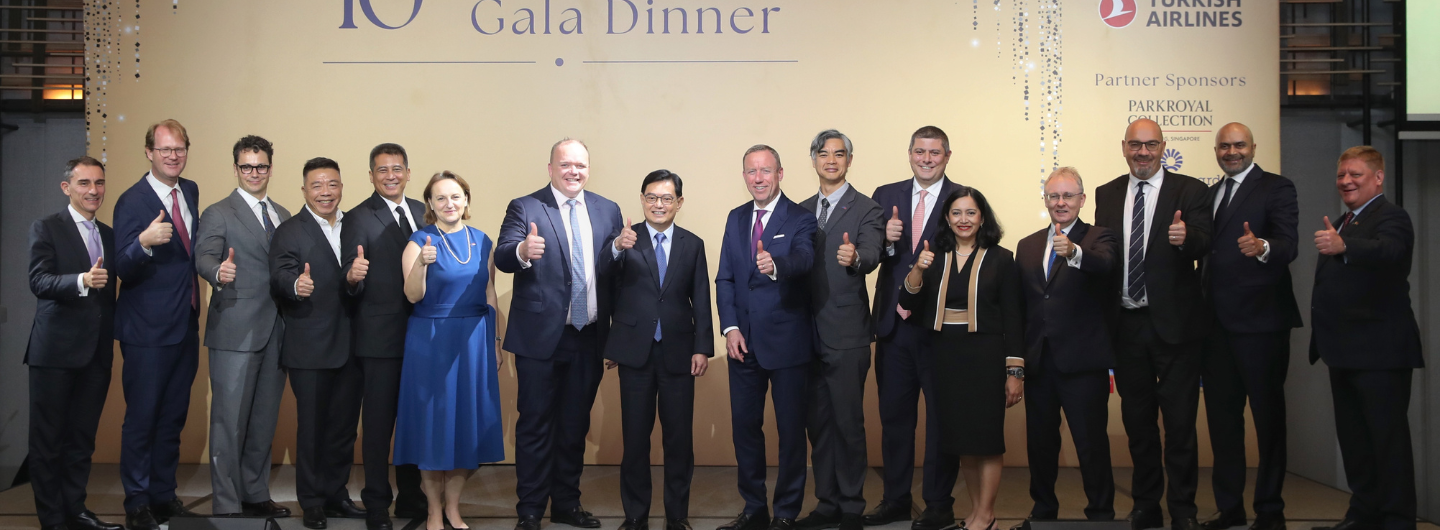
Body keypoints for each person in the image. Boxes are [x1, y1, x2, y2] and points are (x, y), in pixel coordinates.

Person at [495, 138, 624, 530]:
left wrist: (620, 249)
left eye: (581, 165)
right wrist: (521, 250)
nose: (574, 172)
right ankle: (530, 510)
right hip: (540, 341)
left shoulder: (608, 209)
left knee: (573, 427)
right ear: (550, 167)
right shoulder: (526, 206)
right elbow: (502, 255)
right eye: (565, 165)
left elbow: (613, 274)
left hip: (589, 336)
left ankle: (567, 504)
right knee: (535, 426)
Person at [1093, 119, 1212, 530]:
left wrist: (1187, 238)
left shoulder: (1191, 190)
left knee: (1179, 425)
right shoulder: (1107, 193)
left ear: (1163, 146)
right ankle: (1146, 504)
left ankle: (1184, 510)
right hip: (1126, 327)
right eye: (1135, 145)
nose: (1142, 153)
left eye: (1150, 145)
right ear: (1123, 147)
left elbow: (1205, 238)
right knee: (1137, 423)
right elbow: (1104, 253)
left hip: (1176, 327)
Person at [1309, 146, 1422, 530]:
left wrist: (1345, 247)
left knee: (1386, 443)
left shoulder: (1392, 217)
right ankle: (1364, 515)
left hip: (1380, 354)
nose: (1346, 181)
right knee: (1356, 443)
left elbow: (1390, 251)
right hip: (1343, 353)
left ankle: (1396, 520)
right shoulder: (1343, 220)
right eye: (1342, 175)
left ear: (1378, 178)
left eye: (1356, 174)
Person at [897, 187, 1023, 530]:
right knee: (961, 440)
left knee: (986, 439)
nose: (963, 220)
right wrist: (917, 271)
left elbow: (1014, 318)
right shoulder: (932, 255)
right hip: (945, 357)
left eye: (970, 213)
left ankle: (987, 513)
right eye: (956, 213)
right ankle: (977, 513)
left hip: (986, 357)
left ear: (982, 217)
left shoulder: (1002, 258)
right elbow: (907, 305)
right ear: (947, 218)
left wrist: (1015, 371)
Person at [1198, 123, 1301, 530]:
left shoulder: (1277, 187)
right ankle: (1230, 508)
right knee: (1223, 423)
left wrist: (1263, 248)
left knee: (1268, 421)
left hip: (1262, 324)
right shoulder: (1211, 194)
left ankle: (1270, 511)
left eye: (1238, 145)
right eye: (1224, 146)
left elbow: (1289, 245)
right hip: (1215, 327)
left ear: (1252, 148)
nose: (1231, 152)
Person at [603, 170, 715, 530]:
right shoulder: (625, 241)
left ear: (679, 203)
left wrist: (703, 348)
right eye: (651, 197)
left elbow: (701, 297)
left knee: (678, 440)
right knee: (635, 439)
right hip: (634, 353)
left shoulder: (692, 244)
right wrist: (616, 248)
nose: (658, 205)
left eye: (666, 198)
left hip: (680, 353)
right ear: (642, 199)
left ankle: (676, 517)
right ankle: (635, 515)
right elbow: (604, 283)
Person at [394, 172, 506, 530]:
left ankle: (454, 508)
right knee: (432, 427)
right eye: (440, 198)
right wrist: (423, 264)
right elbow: (412, 296)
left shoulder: (482, 241)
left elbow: (489, 294)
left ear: (467, 200)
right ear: (430, 204)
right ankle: (433, 511)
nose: (449, 204)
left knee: (465, 428)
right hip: (430, 342)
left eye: (455, 196)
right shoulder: (419, 240)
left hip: (473, 340)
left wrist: (495, 342)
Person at [714, 145, 817, 530]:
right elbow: (725, 277)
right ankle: (754, 508)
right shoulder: (736, 217)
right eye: (751, 172)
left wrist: (776, 265)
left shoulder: (801, 218)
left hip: (787, 342)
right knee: (745, 428)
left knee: (791, 432)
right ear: (744, 176)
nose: (758, 178)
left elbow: (805, 259)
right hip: (743, 345)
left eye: (765, 171)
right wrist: (730, 327)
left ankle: (786, 512)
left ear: (780, 174)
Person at [866, 126, 963, 530]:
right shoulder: (885, 195)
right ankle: (896, 499)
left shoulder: (962, 198)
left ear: (947, 155)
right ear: (909, 153)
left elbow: (970, 251)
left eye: (935, 152)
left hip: (938, 326)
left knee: (943, 421)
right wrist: (887, 242)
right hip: (894, 327)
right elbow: (871, 255)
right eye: (920, 151)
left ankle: (939, 503)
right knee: (895, 419)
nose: (927, 158)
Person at [194, 135, 293, 519]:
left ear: (270, 168)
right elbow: (203, 256)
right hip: (235, 331)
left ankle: (254, 493)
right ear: (236, 168)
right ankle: (227, 504)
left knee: (263, 421)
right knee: (228, 422)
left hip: (278, 331)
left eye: (261, 166)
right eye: (247, 166)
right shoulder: (219, 213)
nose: (255, 172)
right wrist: (218, 271)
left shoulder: (283, 213)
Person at [1015, 168, 1119, 521]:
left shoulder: (1099, 238)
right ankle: (1043, 510)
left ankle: (1101, 513)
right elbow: (1024, 306)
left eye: (1067, 196)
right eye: (1053, 196)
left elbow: (1104, 266)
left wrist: (1074, 252)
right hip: (1040, 363)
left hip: (1083, 364)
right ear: (1045, 200)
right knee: (1041, 446)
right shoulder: (1027, 245)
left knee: (1091, 446)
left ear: (1082, 200)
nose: (1060, 203)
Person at [25, 156, 123, 530]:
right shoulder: (47, 228)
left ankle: (76, 511)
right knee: (48, 442)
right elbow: (39, 282)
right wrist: (81, 281)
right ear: (67, 188)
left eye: (98, 183)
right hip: (54, 353)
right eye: (84, 183)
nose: (93, 191)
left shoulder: (110, 234)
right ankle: (53, 520)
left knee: (82, 441)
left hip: (96, 355)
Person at [113, 119, 202, 530]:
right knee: (143, 418)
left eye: (179, 148)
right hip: (146, 331)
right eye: (165, 149)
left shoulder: (191, 191)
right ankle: (137, 501)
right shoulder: (132, 201)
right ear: (149, 152)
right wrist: (143, 243)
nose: (173, 155)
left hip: (184, 324)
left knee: (172, 417)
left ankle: (164, 495)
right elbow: (122, 267)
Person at [339, 143, 430, 530]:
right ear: (371, 176)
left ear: (408, 172)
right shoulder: (359, 216)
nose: (390, 176)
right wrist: (352, 277)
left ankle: (412, 497)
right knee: (378, 425)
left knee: (414, 420)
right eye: (382, 170)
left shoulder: (425, 213)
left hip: (423, 334)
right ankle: (377, 502)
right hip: (379, 337)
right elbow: (348, 278)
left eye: (397, 169)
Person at [795, 130, 883, 530]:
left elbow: (872, 253)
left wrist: (856, 257)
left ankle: (851, 505)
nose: (831, 160)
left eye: (839, 154)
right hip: (802, 333)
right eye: (824, 154)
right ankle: (827, 502)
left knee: (848, 422)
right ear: (813, 160)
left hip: (846, 332)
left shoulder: (867, 208)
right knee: (818, 424)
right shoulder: (797, 209)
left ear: (849, 160)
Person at [270, 157, 363, 530]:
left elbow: (357, 277)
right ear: (305, 190)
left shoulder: (354, 224)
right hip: (309, 346)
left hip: (352, 345)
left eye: (333, 185)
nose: (326, 192)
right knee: (311, 429)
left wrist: (355, 279)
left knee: (343, 429)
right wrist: (295, 285)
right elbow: (278, 275)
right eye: (318, 186)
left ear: (341, 187)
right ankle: (310, 501)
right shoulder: (289, 231)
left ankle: (336, 494)